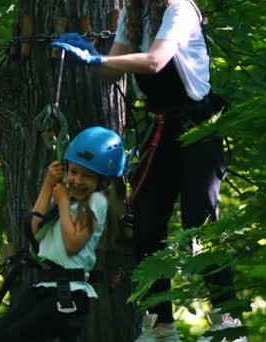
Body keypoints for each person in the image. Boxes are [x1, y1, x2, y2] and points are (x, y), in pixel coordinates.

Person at [52, 1, 246, 341]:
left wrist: (100, 59)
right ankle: (160, 325)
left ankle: (228, 324)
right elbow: (114, 69)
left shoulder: (180, 10)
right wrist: (89, 58)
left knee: (198, 223)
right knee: (147, 224)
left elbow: (155, 61)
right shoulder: (135, 12)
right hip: (162, 130)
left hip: (198, 127)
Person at [0, 126, 125, 341]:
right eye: (73, 172)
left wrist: (61, 201)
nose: (77, 181)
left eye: (87, 176)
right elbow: (34, 230)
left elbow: (72, 245)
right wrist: (48, 184)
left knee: (14, 337)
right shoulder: (66, 198)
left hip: (71, 293)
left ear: (103, 182)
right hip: (45, 287)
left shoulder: (96, 202)